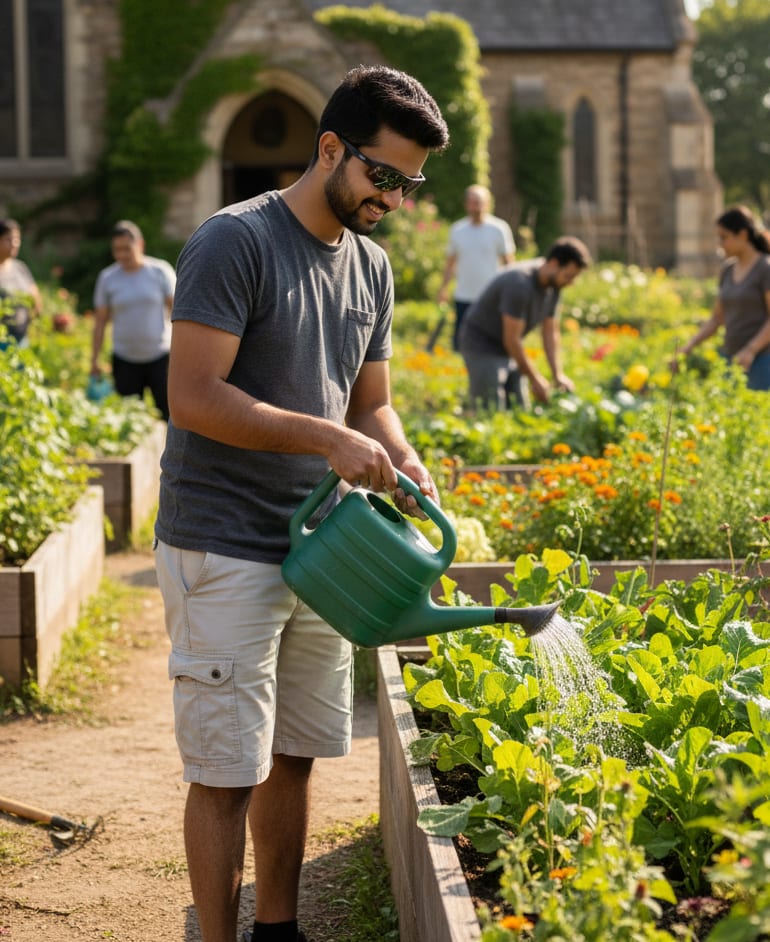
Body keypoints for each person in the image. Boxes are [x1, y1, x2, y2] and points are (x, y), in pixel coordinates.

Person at [153, 65, 449, 942]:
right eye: (382, 176)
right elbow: (195, 397)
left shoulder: (372, 268)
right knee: (225, 770)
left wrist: (400, 452)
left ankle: (279, 930)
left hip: (322, 545)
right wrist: (327, 441)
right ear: (330, 148)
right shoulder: (233, 241)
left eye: (410, 184)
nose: (392, 199)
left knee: (295, 757)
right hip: (224, 541)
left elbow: (371, 400)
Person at [458, 236, 592, 410]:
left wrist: (557, 374)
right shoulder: (519, 284)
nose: (571, 282)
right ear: (552, 263)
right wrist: (534, 378)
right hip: (482, 344)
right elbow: (511, 339)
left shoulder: (554, 286)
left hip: (507, 347)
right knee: (489, 408)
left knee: (520, 408)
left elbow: (550, 332)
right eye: (568, 276)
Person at [676, 205, 770, 390]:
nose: (720, 244)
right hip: (731, 357)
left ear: (742, 235)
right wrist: (689, 346)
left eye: (724, 237)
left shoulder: (765, 269)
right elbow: (717, 318)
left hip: (762, 361)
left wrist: (751, 350)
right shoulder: (727, 270)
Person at [90, 220, 176, 419]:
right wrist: (94, 359)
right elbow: (100, 321)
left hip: (160, 358)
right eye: (117, 250)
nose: (121, 255)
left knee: (171, 416)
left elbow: (178, 314)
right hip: (124, 359)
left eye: (126, 249)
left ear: (140, 245)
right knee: (129, 419)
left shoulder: (160, 271)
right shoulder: (108, 278)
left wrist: (184, 353)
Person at [437, 184, 516, 350]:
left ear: (487, 203)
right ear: (466, 204)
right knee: (461, 343)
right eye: (472, 202)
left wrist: (511, 290)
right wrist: (443, 288)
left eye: (479, 202)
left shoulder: (499, 229)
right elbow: (451, 263)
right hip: (464, 295)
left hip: (490, 296)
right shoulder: (458, 230)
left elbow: (509, 263)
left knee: (490, 341)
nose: (476, 206)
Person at [0, 218, 42, 349]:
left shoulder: (20, 268)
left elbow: (35, 298)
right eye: (9, 239)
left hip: (22, 340)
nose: (14, 244)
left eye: (17, 239)